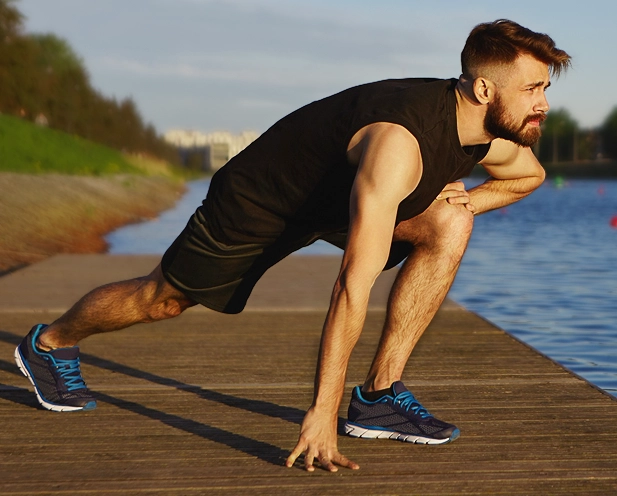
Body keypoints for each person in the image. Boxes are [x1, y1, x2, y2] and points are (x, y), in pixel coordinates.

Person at [15, 19, 570, 472]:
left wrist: (468, 198)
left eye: (545, 88)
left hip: (335, 199)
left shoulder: (484, 134)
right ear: (483, 89)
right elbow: (351, 286)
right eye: (533, 89)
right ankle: (50, 343)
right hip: (262, 200)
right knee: (162, 300)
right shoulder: (401, 144)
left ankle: (378, 398)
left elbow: (530, 177)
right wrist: (321, 412)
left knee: (451, 221)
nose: (543, 102)